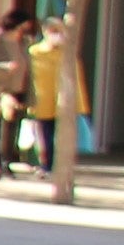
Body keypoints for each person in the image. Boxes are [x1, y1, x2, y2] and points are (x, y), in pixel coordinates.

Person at [0, 9, 36, 180]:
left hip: (18, 91)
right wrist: (3, 68)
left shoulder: (25, 42)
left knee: (12, 131)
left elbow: (29, 69)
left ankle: (6, 163)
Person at [26, 15, 84, 174]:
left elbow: (77, 79)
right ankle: (46, 164)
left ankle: (60, 166)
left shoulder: (68, 53)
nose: (56, 35)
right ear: (44, 31)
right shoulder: (34, 52)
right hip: (42, 101)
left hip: (63, 102)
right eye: (53, 31)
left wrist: (79, 103)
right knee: (44, 136)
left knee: (62, 137)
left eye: (59, 31)